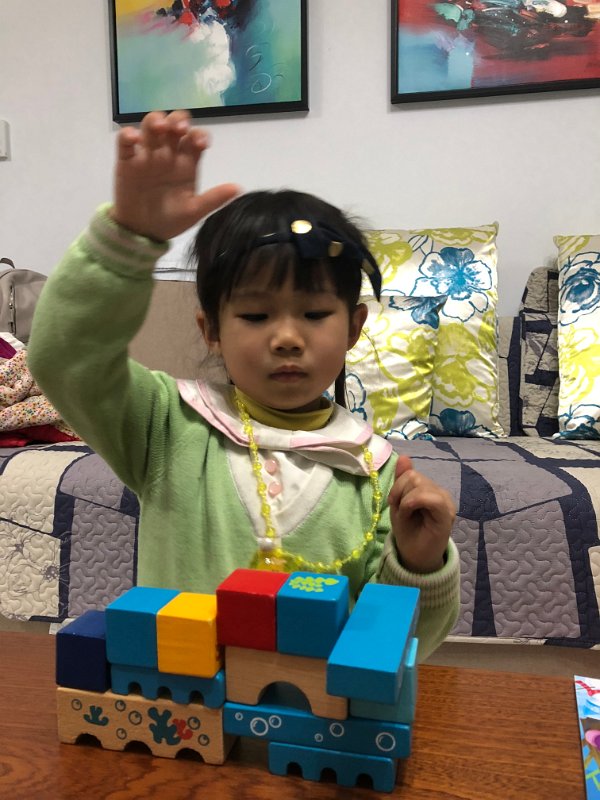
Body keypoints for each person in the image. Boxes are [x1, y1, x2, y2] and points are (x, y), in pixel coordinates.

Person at [28, 110, 460, 661]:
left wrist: (419, 563)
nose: (287, 338)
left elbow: (393, 650)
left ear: (354, 327)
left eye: (314, 313)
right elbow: (67, 355)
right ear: (211, 329)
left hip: (313, 713)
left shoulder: (377, 476)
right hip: (180, 704)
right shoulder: (166, 425)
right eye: (255, 316)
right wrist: (128, 239)